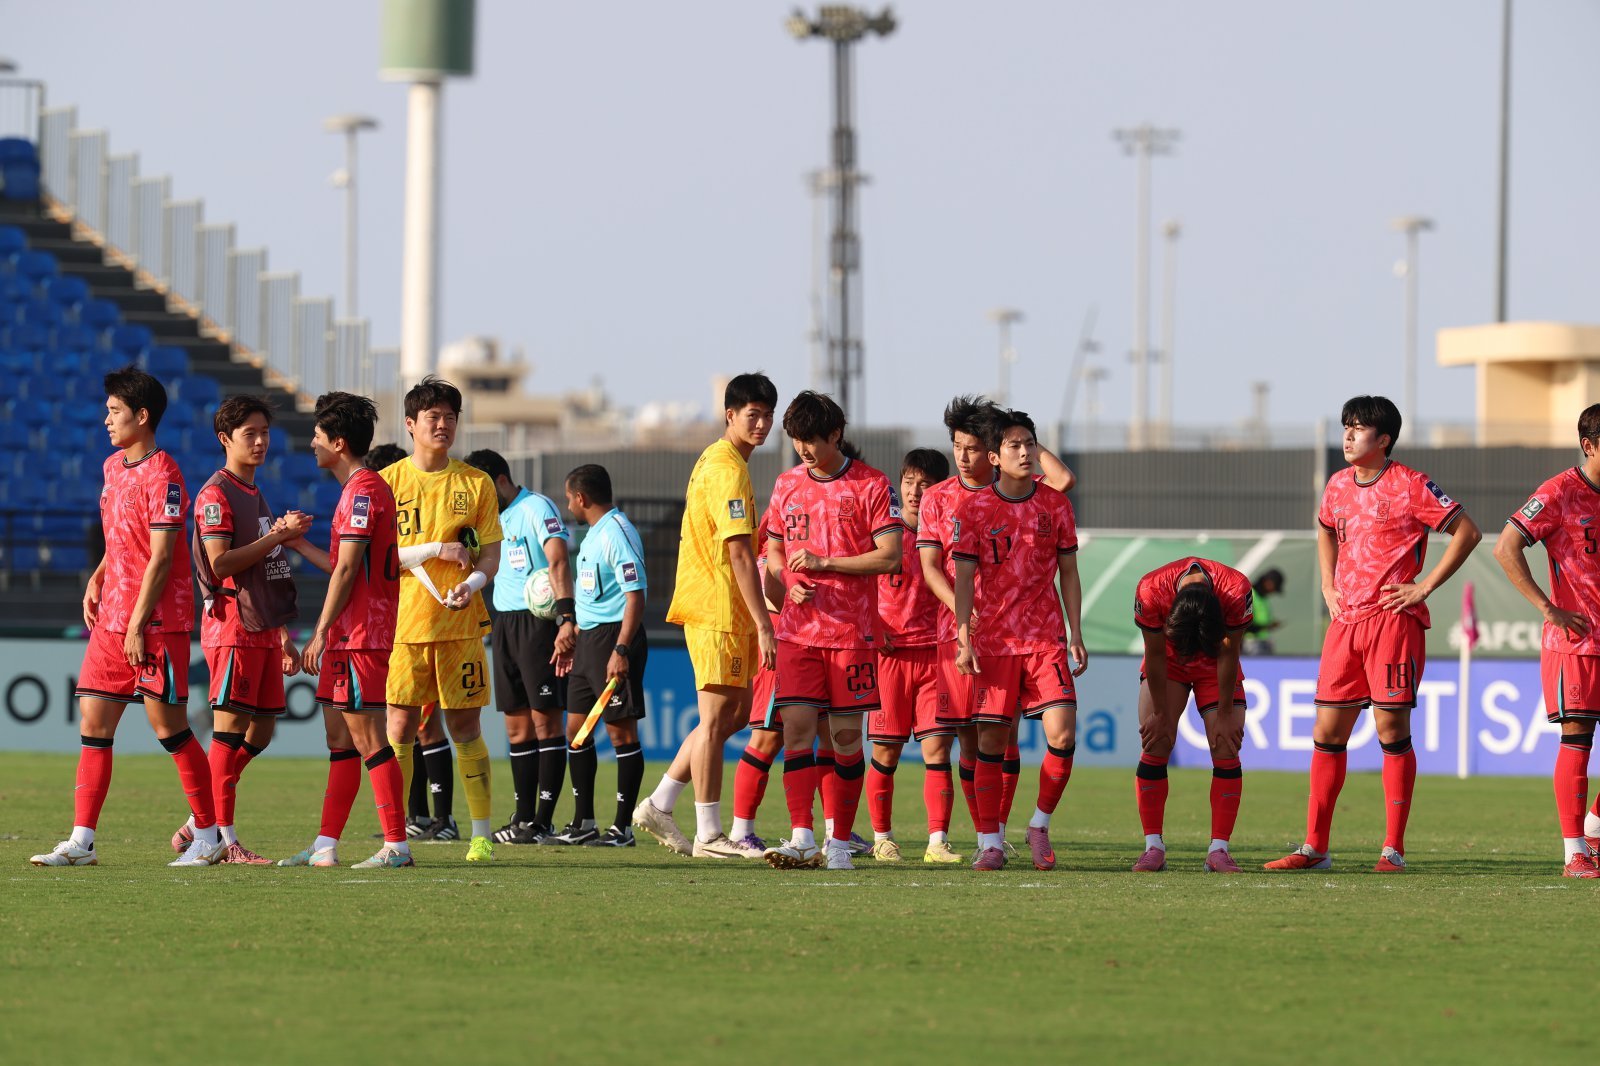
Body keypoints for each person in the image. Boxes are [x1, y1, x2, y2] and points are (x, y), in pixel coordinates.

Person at [1266, 395, 1480, 873]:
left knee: (1391, 729)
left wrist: (1424, 586)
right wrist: (1328, 584)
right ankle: (1315, 848)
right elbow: (1325, 530)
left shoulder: (1411, 484)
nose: (1348, 434)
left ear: (1383, 439)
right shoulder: (1337, 485)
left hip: (1392, 621)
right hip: (1345, 622)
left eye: (1359, 428)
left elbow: (1468, 531)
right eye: (1346, 425)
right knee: (1327, 731)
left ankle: (1392, 849)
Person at [32, 366, 221, 868]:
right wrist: (98, 576)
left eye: (115, 411)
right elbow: (121, 539)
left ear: (142, 415)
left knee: (169, 729)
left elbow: (161, 556)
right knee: (94, 722)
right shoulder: (112, 467)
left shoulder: (166, 474)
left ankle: (209, 834)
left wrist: (138, 624)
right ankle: (82, 841)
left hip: (155, 622)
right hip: (112, 618)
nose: (106, 419)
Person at [916, 395, 1075, 854]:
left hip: (1032, 633)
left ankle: (1001, 832)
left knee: (1011, 739)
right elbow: (933, 568)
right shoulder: (941, 498)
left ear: (989, 452)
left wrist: (1017, 432)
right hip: (965, 632)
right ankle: (985, 836)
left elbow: (1064, 480)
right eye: (957, 447)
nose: (964, 456)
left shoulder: (1030, 489)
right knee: (974, 740)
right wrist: (963, 619)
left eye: (972, 447)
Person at [636, 373, 779, 858]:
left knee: (735, 713)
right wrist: (764, 623)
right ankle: (709, 834)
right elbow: (739, 552)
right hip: (717, 606)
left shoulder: (722, 460)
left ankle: (661, 802)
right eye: (752, 414)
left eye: (767, 415)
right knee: (717, 720)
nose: (761, 424)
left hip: (724, 606)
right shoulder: (726, 468)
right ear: (730, 415)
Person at [761, 391, 901, 871]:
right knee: (797, 732)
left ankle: (839, 843)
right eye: (796, 440)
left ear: (836, 435)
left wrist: (826, 563)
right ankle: (802, 837)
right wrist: (788, 579)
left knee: (844, 741)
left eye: (812, 440)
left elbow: (891, 556)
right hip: (797, 634)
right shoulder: (786, 485)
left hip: (850, 637)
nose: (803, 449)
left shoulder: (872, 484)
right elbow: (774, 550)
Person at [278, 392, 413, 868]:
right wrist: (298, 544)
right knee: (339, 739)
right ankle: (325, 845)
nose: (312, 444)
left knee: (368, 737)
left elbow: (349, 569)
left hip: (361, 635)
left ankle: (396, 845)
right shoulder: (354, 490)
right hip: (347, 634)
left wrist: (319, 632)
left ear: (338, 443)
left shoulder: (363, 491)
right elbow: (341, 562)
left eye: (318, 435)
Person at [171, 395, 307, 864]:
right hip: (232, 627)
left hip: (262, 629)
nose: (261, 441)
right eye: (250, 433)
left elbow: (265, 570)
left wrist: (283, 635)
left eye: (265, 432)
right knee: (228, 734)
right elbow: (221, 563)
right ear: (225, 439)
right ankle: (223, 840)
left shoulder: (253, 492)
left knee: (262, 731)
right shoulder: (216, 494)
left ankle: (201, 818)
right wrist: (278, 535)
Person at [951, 408, 1086, 872]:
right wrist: (963, 637)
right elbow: (963, 580)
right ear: (994, 457)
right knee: (991, 742)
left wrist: (1076, 632)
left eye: (1030, 443)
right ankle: (990, 842)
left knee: (1063, 733)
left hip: (1046, 639)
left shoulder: (1055, 505)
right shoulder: (973, 509)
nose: (1026, 452)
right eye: (1015, 445)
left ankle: (1039, 824)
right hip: (993, 643)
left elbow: (1069, 572)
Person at [379, 376, 504, 863]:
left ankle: (481, 835)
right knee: (399, 727)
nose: (443, 424)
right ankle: (396, 837)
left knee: (466, 727)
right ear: (410, 424)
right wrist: (435, 549)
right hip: (404, 627)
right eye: (433, 416)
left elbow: (490, 555)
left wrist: (472, 584)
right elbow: (376, 558)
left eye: (451, 417)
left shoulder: (476, 483)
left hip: (460, 627)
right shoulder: (387, 483)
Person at [1493, 404, 1600, 877]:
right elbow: (1506, 547)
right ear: (1588, 445)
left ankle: (1595, 826)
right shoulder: (1559, 492)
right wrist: (1547, 607)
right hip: (1577, 642)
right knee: (1577, 740)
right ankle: (1575, 851)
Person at [464, 449, 577, 846]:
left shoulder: (536, 507)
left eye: (481, 488)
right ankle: (523, 817)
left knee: (545, 721)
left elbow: (558, 560)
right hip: (506, 623)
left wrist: (566, 617)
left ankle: (542, 822)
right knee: (516, 726)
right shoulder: (491, 517)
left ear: (499, 480)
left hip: (538, 623)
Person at [1129, 557, 1254, 874]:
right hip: (1168, 662)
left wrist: (1225, 712)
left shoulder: (1236, 590)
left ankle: (1219, 851)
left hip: (1215, 663)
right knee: (1156, 742)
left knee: (1226, 745)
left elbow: (1229, 651)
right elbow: (1154, 652)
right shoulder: (1150, 590)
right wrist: (1160, 713)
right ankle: (1153, 847)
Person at [547, 465, 650, 847]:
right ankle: (584, 822)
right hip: (589, 641)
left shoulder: (617, 532)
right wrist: (573, 632)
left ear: (581, 498)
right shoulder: (593, 534)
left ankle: (622, 829)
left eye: (568, 499)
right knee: (576, 731)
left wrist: (621, 649)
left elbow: (635, 596)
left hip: (615, 639)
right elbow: (595, 595)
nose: (568, 506)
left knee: (622, 733)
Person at [865, 448, 958, 864]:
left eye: (925, 484)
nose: (916, 491)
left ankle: (937, 842)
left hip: (937, 657)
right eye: (909, 482)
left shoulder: (949, 535)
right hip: (890, 657)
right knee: (885, 753)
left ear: (940, 488)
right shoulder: (884, 534)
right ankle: (882, 838)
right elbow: (859, 585)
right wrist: (874, 623)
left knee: (937, 751)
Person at [365, 442, 437, 834]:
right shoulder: (388, 509)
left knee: (423, 726)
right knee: (407, 726)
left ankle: (433, 817)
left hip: (425, 623)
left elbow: (392, 556)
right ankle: (415, 816)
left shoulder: (411, 507)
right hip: (399, 624)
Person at [1243, 568, 1284, 655]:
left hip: (1263, 642)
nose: (1273, 592)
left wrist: (1269, 625)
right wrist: (1267, 626)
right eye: (1275, 588)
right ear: (1268, 583)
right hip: (1250, 644)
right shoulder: (1249, 594)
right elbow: (1245, 625)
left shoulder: (1264, 599)